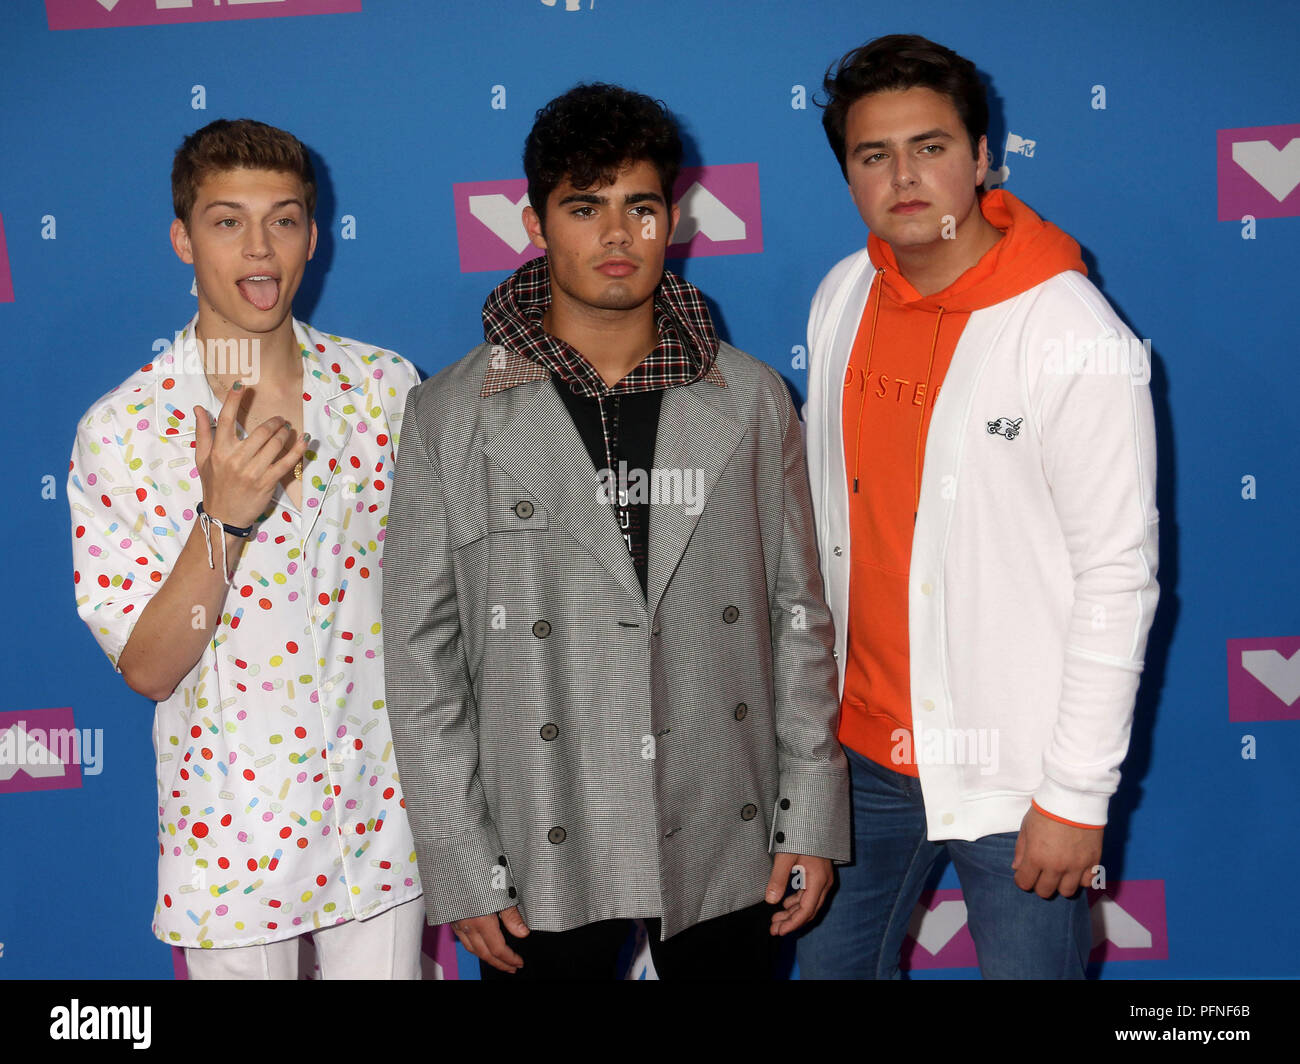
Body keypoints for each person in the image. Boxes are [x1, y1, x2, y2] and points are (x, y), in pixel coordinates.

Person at [383, 83, 849, 980]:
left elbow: (800, 617)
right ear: (535, 223)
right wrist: (460, 860)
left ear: (672, 219)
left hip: (727, 822)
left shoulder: (750, 400)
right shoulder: (446, 417)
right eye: (584, 207)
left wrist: (813, 815)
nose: (616, 235)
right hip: (543, 831)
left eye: (639, 206)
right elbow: (420, 661)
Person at [797, 34, 1159, 979]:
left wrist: (1076, 794)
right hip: (860, 758)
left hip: (1017, 775)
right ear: (847, 175)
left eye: (931, 146)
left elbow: (1117, 576)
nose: (905, 176)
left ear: (984, 156)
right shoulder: (842, 296)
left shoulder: (1072, 331)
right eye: (874, 155)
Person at [68, 119, 424, 980]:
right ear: (182, 238)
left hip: (382, 817)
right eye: (228, 221)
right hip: (230, 836)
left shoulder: (385, 388)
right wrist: (221, 521)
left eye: (285, 218)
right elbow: (150, 667)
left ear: (314, 233)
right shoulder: (122, 429)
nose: (260, 248)